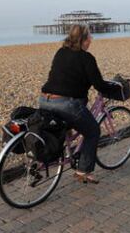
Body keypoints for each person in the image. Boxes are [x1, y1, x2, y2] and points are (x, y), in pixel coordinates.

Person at [39, 24, 122, 184]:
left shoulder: (61, 52)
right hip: (65, 104)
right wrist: (114, 88)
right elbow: (98, 84)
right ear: (83, 40)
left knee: (69, 121)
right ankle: (83, 170)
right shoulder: (86, 58)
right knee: (92, 131)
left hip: (44, 100)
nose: (91, 39)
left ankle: (70, 152)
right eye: (89, 37)